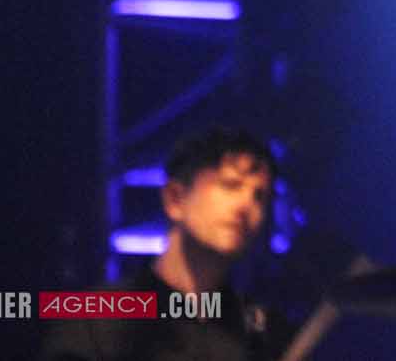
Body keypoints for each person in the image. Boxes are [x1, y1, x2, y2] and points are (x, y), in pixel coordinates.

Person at [38, 126, 282, 361]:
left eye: (259, 196)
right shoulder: (96, 322)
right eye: (231, 185)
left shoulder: (261, 335)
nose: (246, 205)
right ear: (175, 199)